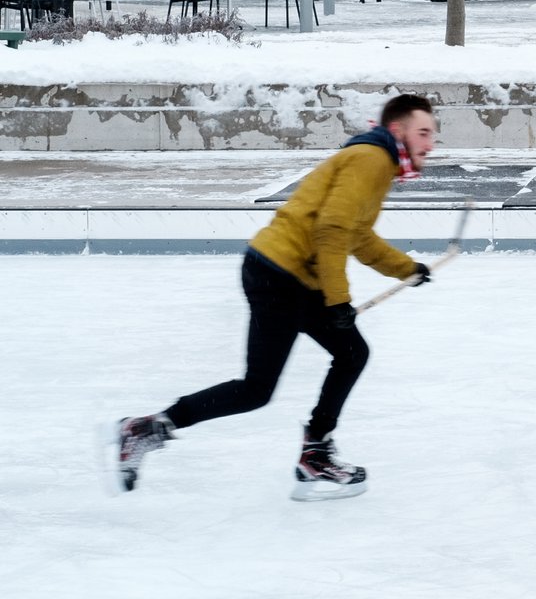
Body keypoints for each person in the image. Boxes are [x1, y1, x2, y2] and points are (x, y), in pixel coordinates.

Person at [111, 94, 441, 501]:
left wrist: (406, 269)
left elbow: (356, 236)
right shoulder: (372, 159)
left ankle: (315, 452)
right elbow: (333, 231)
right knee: (258, 388)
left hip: (293, 275)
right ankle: (144, 429)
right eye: (424, 132)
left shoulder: (378, 161)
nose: (431, 142)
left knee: (349, 354)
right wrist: (339, 301)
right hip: (280, 274)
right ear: (398, 131)